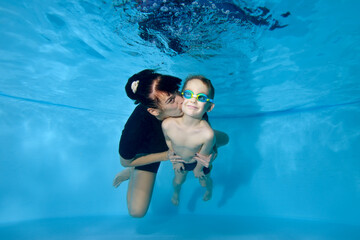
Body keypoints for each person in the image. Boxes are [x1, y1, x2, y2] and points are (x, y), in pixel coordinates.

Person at [113, 69, 228, 218]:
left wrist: (211, 152)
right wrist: (166, 155)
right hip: (151, 153)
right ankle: (134, 172)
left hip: (180, 144)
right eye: (171, 100)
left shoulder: (190, 104)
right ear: (154, 111)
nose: (182, 101)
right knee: (137, 212)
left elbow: (206, 138)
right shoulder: (136, 127)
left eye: (176, 92)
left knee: (224, 139)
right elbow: (125, 161)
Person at [161, 75, 217, 205]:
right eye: (188, 94)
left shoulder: (207, 134)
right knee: (178, 181)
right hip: (181, 161)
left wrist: (198, 169)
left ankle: (209, 189)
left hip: (198, 163)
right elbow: (169, 141)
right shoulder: (167, 124)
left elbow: (204, 155)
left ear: (209, 107)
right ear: (181, 97)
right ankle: (176, 193)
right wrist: (174, 160)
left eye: (201, 97)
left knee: (204, 181)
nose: (193, 100)